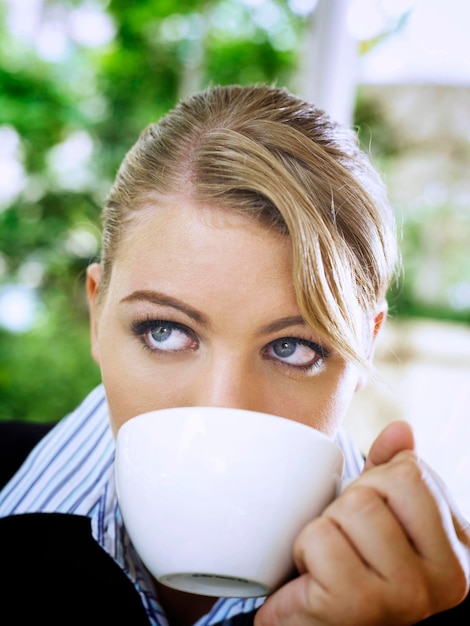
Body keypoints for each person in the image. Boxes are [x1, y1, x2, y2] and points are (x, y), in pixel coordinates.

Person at [0, 84, 468, 626]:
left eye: (292, 349)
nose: (222, 408)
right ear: (97, 317)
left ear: (365, 345)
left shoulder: (434, 598)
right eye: (165, 332)